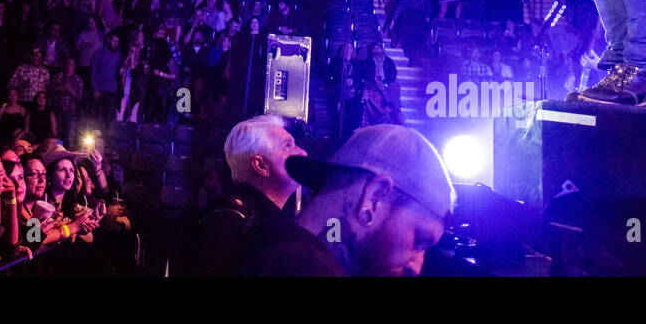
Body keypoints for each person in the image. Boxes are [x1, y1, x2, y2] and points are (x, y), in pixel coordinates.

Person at [236, 125, 454, 277]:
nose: (417, 266)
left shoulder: (260, 244)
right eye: (420, 240)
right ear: (374, 198)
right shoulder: (307, 269)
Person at [192, 115, 305, 277]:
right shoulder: (230, 222)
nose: (303, 152)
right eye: (288, 146)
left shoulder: (258, 219)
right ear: (260, 165)